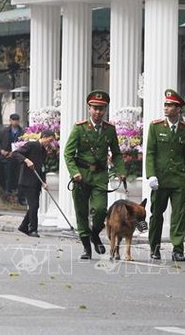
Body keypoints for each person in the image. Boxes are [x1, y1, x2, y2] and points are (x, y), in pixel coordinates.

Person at [64, 90, 126, 260]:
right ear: (89, 108)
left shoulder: (109, 130)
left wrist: (121, 171)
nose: (98, 112)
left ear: (105, 110)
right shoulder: (79, 128)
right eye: (95, 108)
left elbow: (117, 153)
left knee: (100, 210)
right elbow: (68, 153)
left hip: (99, 175)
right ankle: (86, 247)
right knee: (81, 212)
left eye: (101, 109)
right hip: (81, 175)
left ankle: (94, 233)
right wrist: (74, 172)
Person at [146, 89, 185, 262]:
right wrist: (151, 175)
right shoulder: (156, 126)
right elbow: (150, 153)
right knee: (156, 214)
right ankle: (155, 247)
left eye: (170, 105)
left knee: (178, 215)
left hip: (178, 179)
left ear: (178, 109)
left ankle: (178, 249)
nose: (166, 108)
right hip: (160, 179)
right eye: (165, 105)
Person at [11, 130, 56, 237]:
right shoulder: (32, 145)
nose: (49, 143)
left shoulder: (44, 151)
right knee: (34, 205)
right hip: (27, 181)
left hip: (36, 181)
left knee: (34, 206)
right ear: (44, 137)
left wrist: (44, 182)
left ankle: (23, 226)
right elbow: (15, 153)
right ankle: (33, 229)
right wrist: (26, 160)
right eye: (49, 140)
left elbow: (42, 169)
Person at [0, 113, 24, 202]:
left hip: (17, 157)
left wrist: (16, 152)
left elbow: (23, 143)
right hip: (6, 156)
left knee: (17, 176)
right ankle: (7, 194)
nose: (15, 122)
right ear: (10, 121)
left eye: (17, 120)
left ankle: (17, 194)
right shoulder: (4, 131)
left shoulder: (22, 132)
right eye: (13, 120)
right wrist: (1, 150)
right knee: (7, 176)